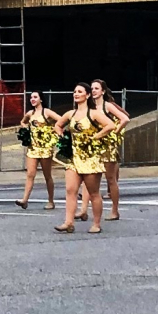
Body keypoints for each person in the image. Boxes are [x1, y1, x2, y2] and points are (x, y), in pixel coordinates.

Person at [54, 84, 106, 235]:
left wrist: (96, 137)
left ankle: (96, 223)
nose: (76, 94)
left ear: (87, 95)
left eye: (80, 92)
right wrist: (62, 135)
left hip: (90, 158)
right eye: (75, 92)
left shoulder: (94, 114)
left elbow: (109, 126)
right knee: (70, 190)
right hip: (74, 158)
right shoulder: (70, 114)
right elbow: (58, 125)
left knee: (93, 192)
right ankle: (68, 222)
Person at [91, 79, 130, 219]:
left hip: (107, 146)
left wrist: (115, 132)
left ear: (102, 91)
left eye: (96, 88)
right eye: (92, 88)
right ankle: (86, 209)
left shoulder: (107, 106)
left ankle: (114, 210)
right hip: (94, 146)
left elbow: (125, 119)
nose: (93, 91)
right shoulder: (90, 107)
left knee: (110, 179)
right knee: (90, 177)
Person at [16, 90, 57, 210]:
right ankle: (25, 200)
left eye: (35, 97)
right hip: (33, 148)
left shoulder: (47, 112)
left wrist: (52, 130)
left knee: (47, 175)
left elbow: (61, 120)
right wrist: (26, 130)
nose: (32, 99)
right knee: (30, 174)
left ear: (41, 99)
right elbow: (22, 122)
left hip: (45, 148)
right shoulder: (30, 113)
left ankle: (51, 201)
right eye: (31, 97)